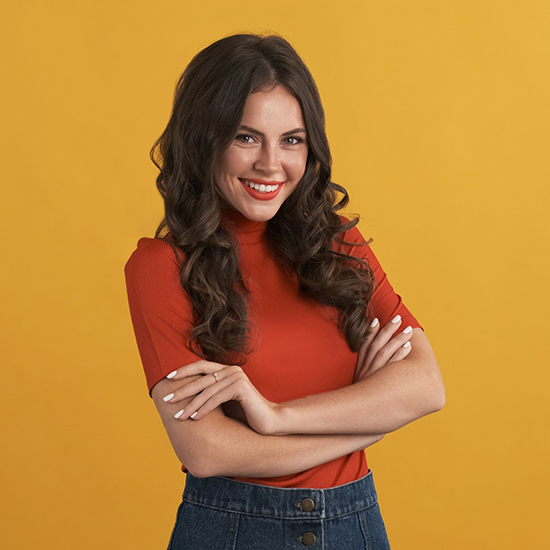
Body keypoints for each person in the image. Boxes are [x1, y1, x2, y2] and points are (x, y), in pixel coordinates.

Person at [125, 33, 445, 550]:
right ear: (203, 139)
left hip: (354, 526)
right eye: (246, 137)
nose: (271, 165)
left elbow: (426, 386)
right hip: (233, 530)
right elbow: (207, 450)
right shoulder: (161, 267)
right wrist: (364, 420)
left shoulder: (341, 244)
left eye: (291, 140)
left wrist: (275, 419)